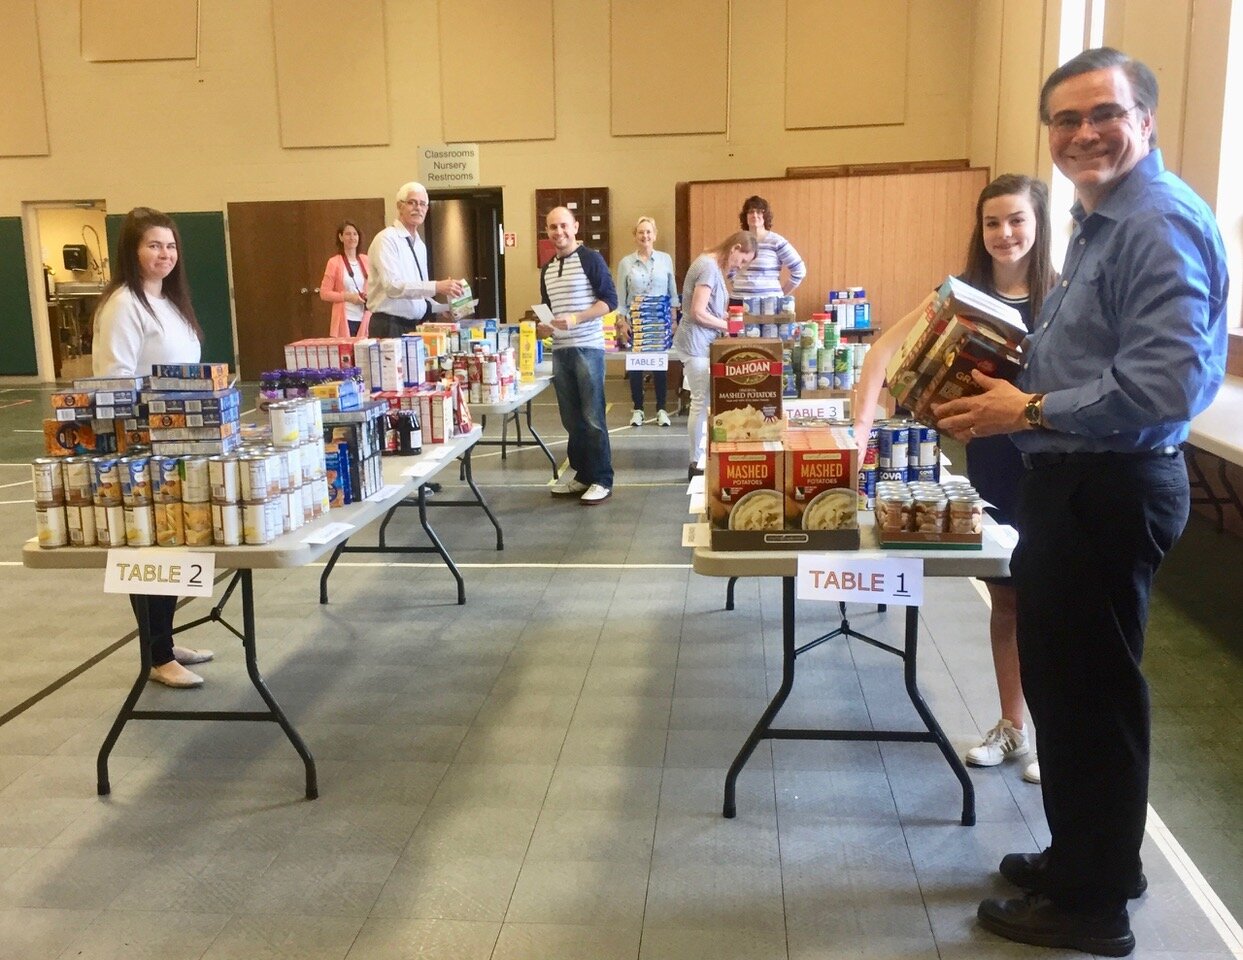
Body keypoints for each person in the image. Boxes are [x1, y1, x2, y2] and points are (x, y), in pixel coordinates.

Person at [935, 48, 1228, 956]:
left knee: (1093, 697)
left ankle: (1091, 906)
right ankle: (1087, 859)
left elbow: (1168, 384)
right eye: (1064, 120)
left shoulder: (1155, 223)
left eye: (1102, 113)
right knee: (1065, 689)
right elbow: (1090, 355)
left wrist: (1020, 406)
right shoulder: (1102, 221)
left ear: (1144, 119)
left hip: (1108, 486)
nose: (1082, 133)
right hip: (1070, 484)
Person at [855, 174, 1056, 786]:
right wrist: (860, 430)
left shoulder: (1062, 297)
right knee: (1007, 596)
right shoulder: (960, 295)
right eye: (993, 223)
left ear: (1040, 224)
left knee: (1054, 602)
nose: (1005, 234)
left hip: (1052, 464)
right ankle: (1011, 725)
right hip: (991, 462)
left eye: (1017, 220)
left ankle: (1060, 734)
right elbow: (881, 353)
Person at [93, 207, 215, 688]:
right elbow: (113, 379)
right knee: (147, 549)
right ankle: (156, 656)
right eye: (153, 246)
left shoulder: (169, 301)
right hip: (141, 447)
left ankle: (163, 642)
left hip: (177, 443)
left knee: (173, 543)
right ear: (132, 251)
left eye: (170, 246)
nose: (164, 254)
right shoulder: (123, 304)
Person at [539, 206, 619, 505]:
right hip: (561, 350)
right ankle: (583, 475)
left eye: (563, 226)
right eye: (552, 227)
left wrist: (577, 318)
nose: (558, 232)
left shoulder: (590, 259)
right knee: (571, 419)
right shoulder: (547, 270)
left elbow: (609, 301)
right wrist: (543, 327)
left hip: (588, 347)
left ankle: (602, 478)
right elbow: (548, 309)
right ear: (547, 232)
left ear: (575, 226)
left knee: (593, 416)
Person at [670, 230, 757, 480]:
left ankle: (702, 455)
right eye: (742, 260)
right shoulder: (708, 267)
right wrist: (727, 326)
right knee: (700, 401)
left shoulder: (713, 265)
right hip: (695, 343)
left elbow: (707, 308)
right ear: (735, 248)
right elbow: (697, 311)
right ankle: (695, 462)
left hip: (702, 342)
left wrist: (723, 318)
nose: (739, 267)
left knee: (704, 400)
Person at [366, 182, 463, 338]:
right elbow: (393, 287)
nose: (418, 208)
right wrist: (437, 286)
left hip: (414, 326)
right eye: (412, 202)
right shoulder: (386, 239)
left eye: (423, 204)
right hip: (389, 326)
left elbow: (419, 291)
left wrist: (439, 307)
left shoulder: (419, 244)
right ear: (399, 206)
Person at [615, 216, 679, 427]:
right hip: (637, 321)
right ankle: (638, 409)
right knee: (636, 366)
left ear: (655, 235)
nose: (645, 236)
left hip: (659, 321)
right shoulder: (626, 263)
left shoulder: (665, 259)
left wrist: (673, 320)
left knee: (660, 366)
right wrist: (622, 321)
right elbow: (621, 296)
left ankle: (661, 409)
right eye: (641, 232)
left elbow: (673, 292)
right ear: (635, 236)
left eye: (649, 232)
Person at [729, 195, 805, 305]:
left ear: (765, 216)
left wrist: (781, 294)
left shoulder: (776, 241)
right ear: (745, 216)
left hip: (769, 304)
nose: (755, 215)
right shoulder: (737, 240)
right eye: (750, 212)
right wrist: (740, 286)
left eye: (759, 212)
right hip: (739, 302)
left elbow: (799, 270)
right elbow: (729, 267)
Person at [320, 220, 371, 338]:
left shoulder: (366, 260)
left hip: (366, 318)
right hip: (346, 318)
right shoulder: (334, 262)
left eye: (355, 234)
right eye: (348, 234)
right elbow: (324, 293)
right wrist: (347, 297)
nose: (352, 237)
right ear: (341, 237)